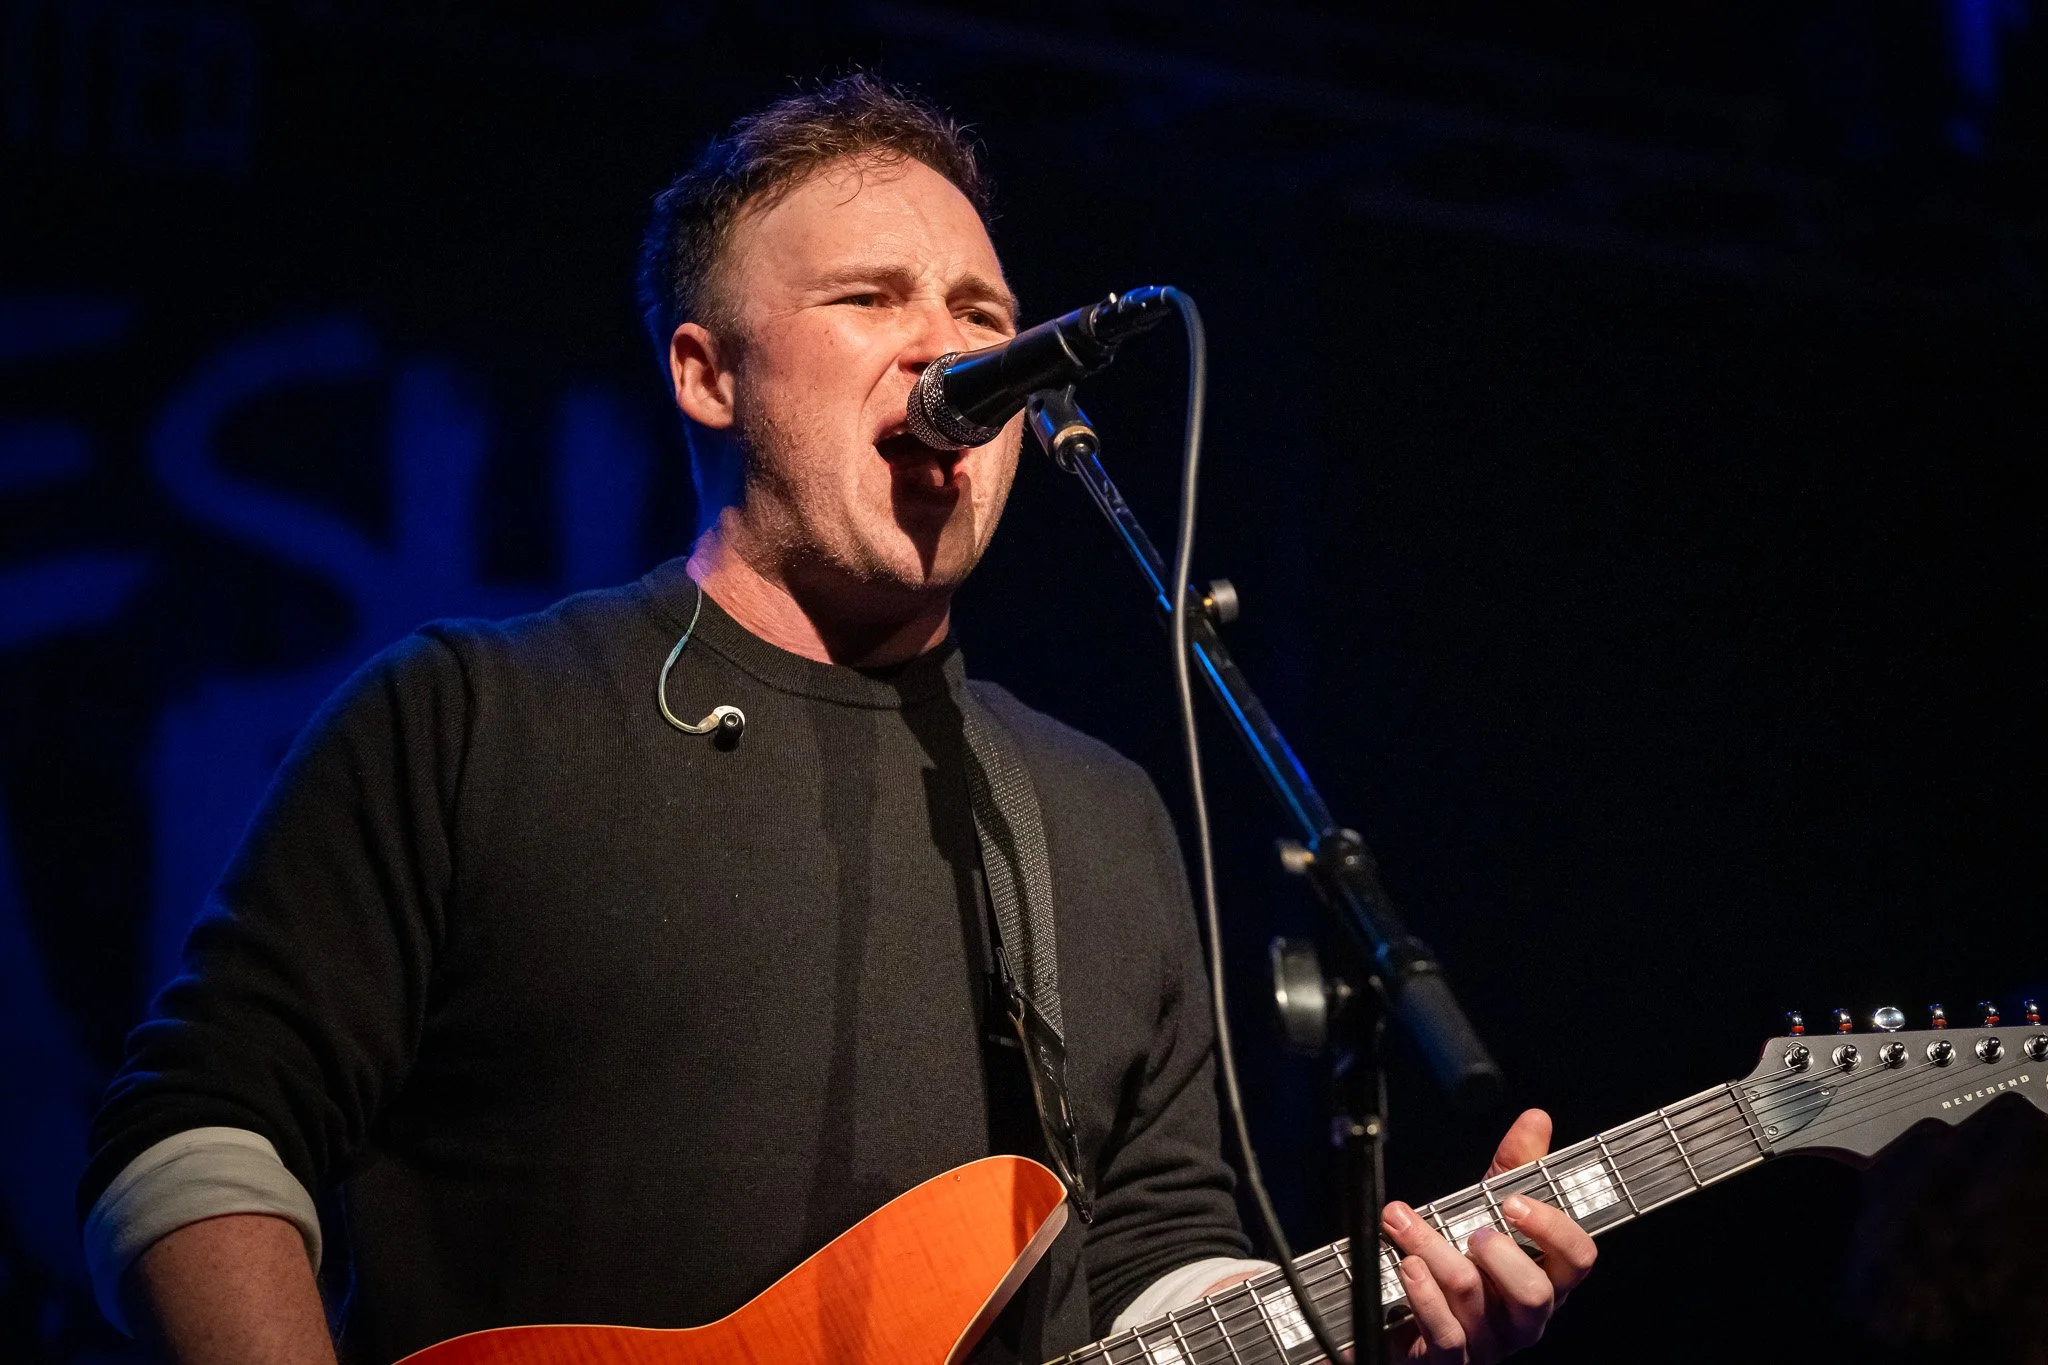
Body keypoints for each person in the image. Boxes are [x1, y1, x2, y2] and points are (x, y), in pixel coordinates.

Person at [79, 76, 1595, 1364]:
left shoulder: (1097, 810)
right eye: (871, 299)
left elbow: (1153, 1254)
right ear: (707, 374)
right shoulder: (474, 717)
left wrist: (1370, 1322)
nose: (950, 352)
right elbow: (196, 1136)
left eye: (983, 314)